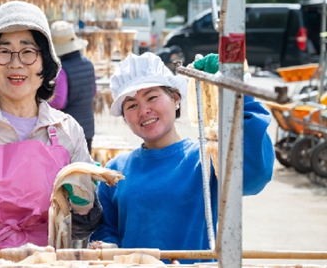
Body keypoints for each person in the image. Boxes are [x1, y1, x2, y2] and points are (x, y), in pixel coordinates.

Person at [0, 1, 102, 252]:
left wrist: (84, 204)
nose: (16, 63)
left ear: (44, 64)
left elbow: (81, 228)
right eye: (3, 52)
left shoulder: (68, 130)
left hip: (46, 259)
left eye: (28, 52)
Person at [90, 53, 274, 263]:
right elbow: (105, 229)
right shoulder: (116, 170)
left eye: (152, 97)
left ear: (176, 98)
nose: (144, 111)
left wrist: (238, 94)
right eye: (131, 105)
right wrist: (106, 245)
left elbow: (254, 175)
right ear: (125, 117)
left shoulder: (205, 160)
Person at [48, 20, 97, 153]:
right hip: (88, 128)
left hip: (69, 131)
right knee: (84, 169)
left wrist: (41, 101)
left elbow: (59, 103)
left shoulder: (62, 71)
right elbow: (93, 92)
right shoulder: (88, 64)